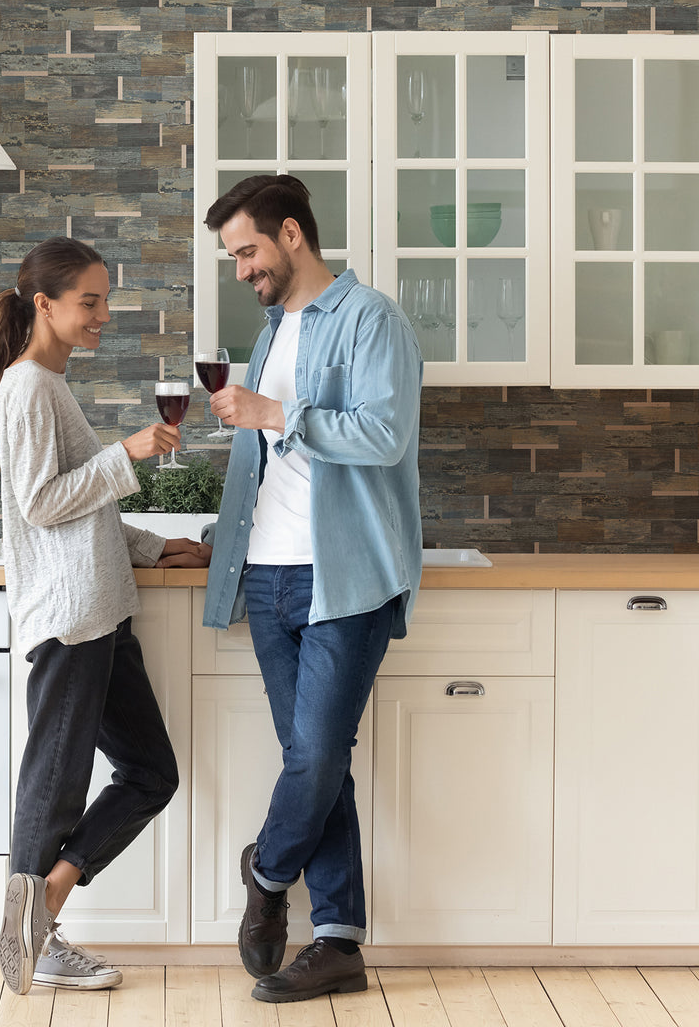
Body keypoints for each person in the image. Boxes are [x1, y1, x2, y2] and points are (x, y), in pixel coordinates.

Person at [0, 236, 207, 996]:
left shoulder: (49, 384)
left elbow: (80, 511)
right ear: (45, 305)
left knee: (150, 772)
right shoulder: (30, 385)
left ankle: (48, 900)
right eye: (89, 302)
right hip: (71, 617)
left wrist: (153, 544)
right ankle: (34, 931)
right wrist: (127, 453)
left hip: (101, 610)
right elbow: (41, 504)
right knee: (56, 780)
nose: (103, 315)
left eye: (105, 300)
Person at [200, 175, 423, 1003]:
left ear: (292, 234)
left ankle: (267, 871)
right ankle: (338, 941)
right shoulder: (270, 331)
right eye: (232, 257)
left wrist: (273, 414)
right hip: (268, 573)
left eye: (247, 250)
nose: (240, 269)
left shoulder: (373, 320)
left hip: (345, 574)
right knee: (315, 762)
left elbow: (385, 433)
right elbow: (267, 460)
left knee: (321, 753)